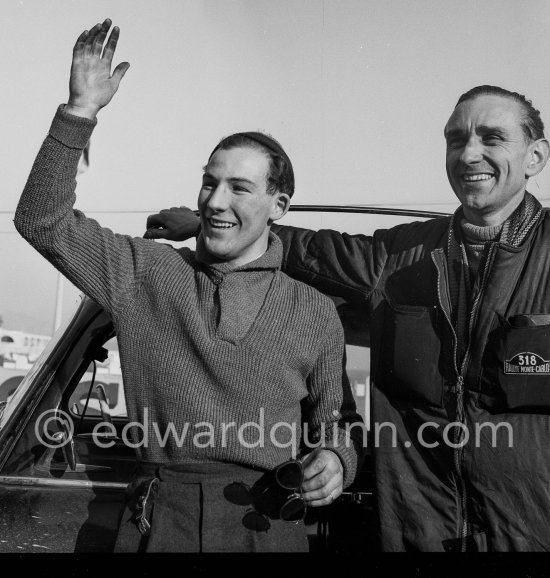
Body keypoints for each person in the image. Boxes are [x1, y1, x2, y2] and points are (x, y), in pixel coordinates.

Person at [146, 85, 550, 552]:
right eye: (456, 139)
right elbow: (313, 252)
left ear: (535, 157)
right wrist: (209, 224)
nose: (469, 153)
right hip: (419, 533)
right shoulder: (400, 255)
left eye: (492, 138)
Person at [15, 19, 362, 553]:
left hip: (267, 526)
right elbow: (42, 221)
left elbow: (335, 421)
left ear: (279, 206)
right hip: (157, 522)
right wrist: (79, 112)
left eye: (239, 188)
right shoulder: (146, 272)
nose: (215, 201)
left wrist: (337, 460)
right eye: (209, 181)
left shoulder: (314, 310)